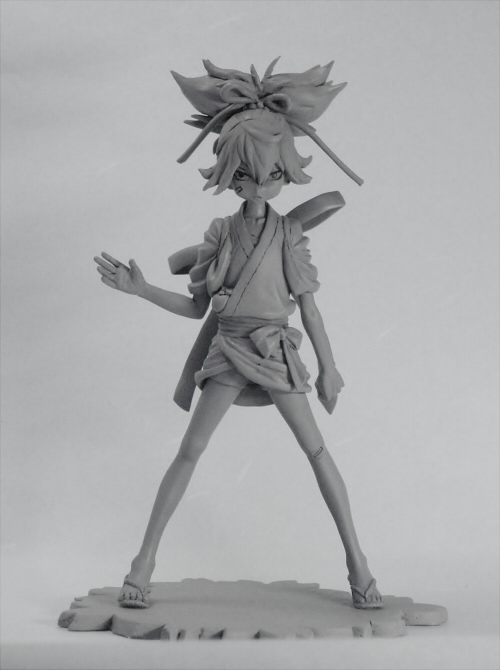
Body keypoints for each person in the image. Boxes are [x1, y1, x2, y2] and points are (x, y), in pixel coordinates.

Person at [94, 60, 383, 610]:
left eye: (271, 174)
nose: (259, 184)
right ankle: (143, 562)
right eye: (245, 174)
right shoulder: (220, 234)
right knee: (190, 452)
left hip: (276, 351)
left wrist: (329, 366)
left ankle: (358, 563)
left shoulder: (288, 234)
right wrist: (142, 289)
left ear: (286, 172)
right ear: (229, 174)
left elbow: (310, 308)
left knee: (317, 450)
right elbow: (195, 307)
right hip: (228, 350)